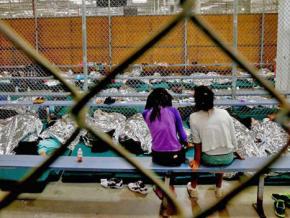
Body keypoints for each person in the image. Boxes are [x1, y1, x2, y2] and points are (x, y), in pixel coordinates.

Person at [188, 85, 237, 199]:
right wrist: (236, 152)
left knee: (195, 161)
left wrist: (196, 162)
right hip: (228, 157)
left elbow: (197, 145)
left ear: (197, 101)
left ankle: (193, 188)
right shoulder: (224, 113)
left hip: (210, 159)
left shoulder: (194, 117)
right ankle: (218, 188)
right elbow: (233, 136)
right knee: (220, 151)